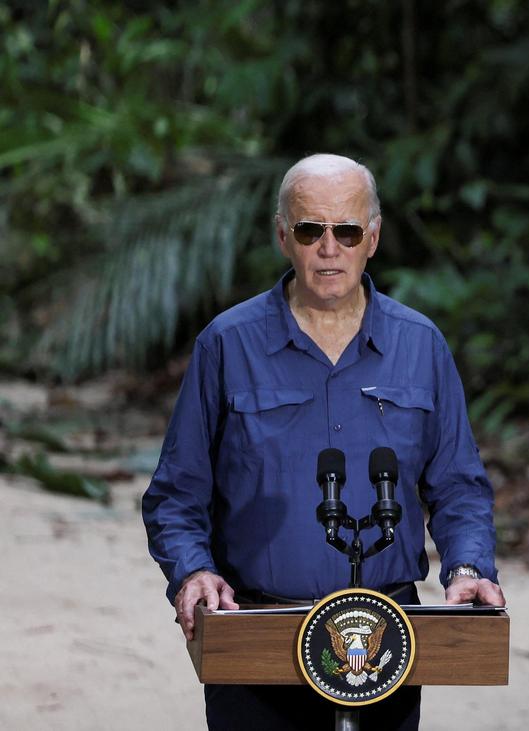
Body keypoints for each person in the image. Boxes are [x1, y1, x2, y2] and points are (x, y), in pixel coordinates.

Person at [142, 153, 504, 730]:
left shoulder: (421, 345)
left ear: (373, 238)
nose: (329, 248)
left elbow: (458, 485)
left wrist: (467, 566)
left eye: (347, 230)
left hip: (387, 637)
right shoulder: (227, 345)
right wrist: (192, 572)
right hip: (256, 635)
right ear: (284, 236)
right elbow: (176, 494)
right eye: (311, 230)